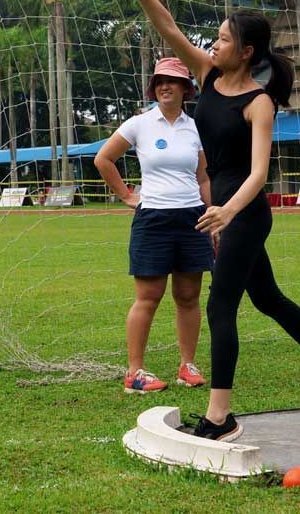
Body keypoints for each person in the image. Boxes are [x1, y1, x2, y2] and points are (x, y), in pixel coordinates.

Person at [109, 0, 300, 440]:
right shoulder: (207, 75)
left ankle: (220, 419)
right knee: (266, 296)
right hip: (220, 209)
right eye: (216, 39)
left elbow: (260, 174)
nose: (215, 44)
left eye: (223, 40)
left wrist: (225, 212)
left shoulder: (259, 102)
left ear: (246, 52)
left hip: (243, 211)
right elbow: (170, 29)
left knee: (221, 306)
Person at [95, 57, 214, 394]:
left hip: (193, 217)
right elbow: (103, 159)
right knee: (148, 297)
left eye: (173, 81)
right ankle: (135, 372)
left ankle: (187, 365)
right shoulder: (139, 124)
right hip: (153, 219)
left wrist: (211, 213)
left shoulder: (196, 127)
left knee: (189, 296)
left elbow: (202, 176)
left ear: (185, 89)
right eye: (160, 80)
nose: (165, 86)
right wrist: (127, 196)